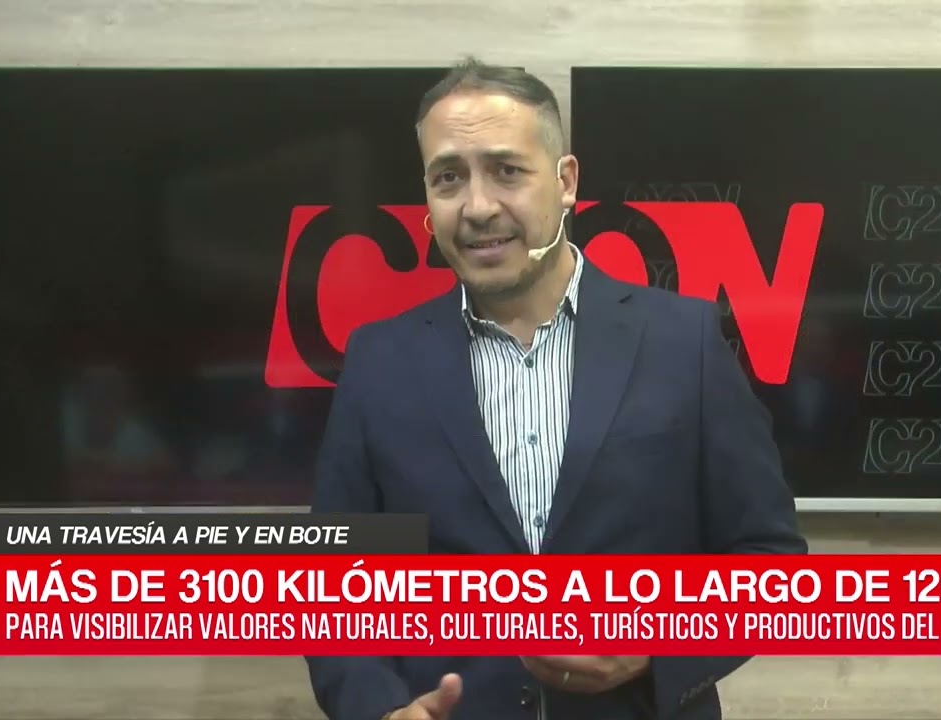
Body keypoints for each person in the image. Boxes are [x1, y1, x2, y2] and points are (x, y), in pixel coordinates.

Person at [306, 57, 808, 720]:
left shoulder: (682, 341)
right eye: (449, 177)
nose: (478, 206)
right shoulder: (379, 361)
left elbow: (768, 562)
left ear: (566, 181)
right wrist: (379, 710)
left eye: (507, 171)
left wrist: (656, 648)